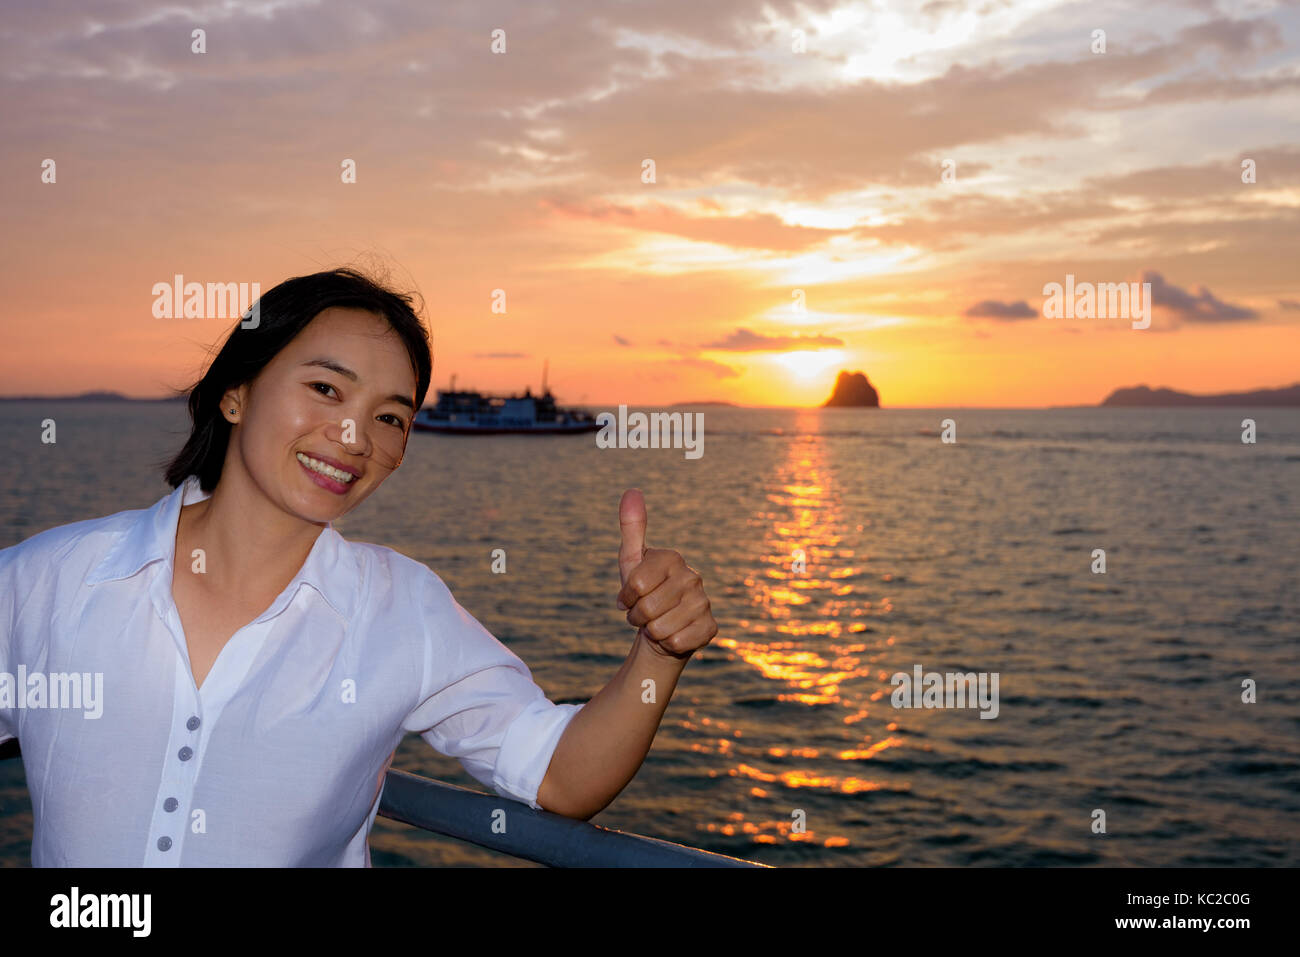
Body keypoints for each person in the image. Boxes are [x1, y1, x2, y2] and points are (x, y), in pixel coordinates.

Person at [0, 267, 718, 866]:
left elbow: (563, 773)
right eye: (325, 389)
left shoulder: (403, 611)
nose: (353, 436)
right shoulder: (49, 582)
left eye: (391, 417)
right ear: (236, 390)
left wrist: (658, 653)